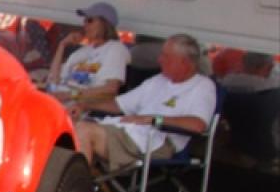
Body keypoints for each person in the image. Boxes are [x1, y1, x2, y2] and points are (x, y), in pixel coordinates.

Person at [73, 33, 217, 171]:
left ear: (184, 62)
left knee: (84, 131)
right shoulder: (158, 80)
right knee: (72, 126)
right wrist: (85, 105)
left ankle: (78, 184)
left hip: (155, 142)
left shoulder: (202, 86)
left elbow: (198, 125)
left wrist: (154, 119)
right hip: (128, 132)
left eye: (166, 56)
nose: (159, 60)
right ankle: (81, 181)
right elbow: (119, 104)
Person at [46, 2, 130, 103]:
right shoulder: (82, 51)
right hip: (57, 101)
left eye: (90, 20)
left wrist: (69, 95)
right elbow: (53, 81)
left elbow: (110, 90)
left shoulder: (115, 49)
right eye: (84, 21)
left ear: (105, 24)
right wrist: (62, 45)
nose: (85, 25)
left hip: (79, 106)